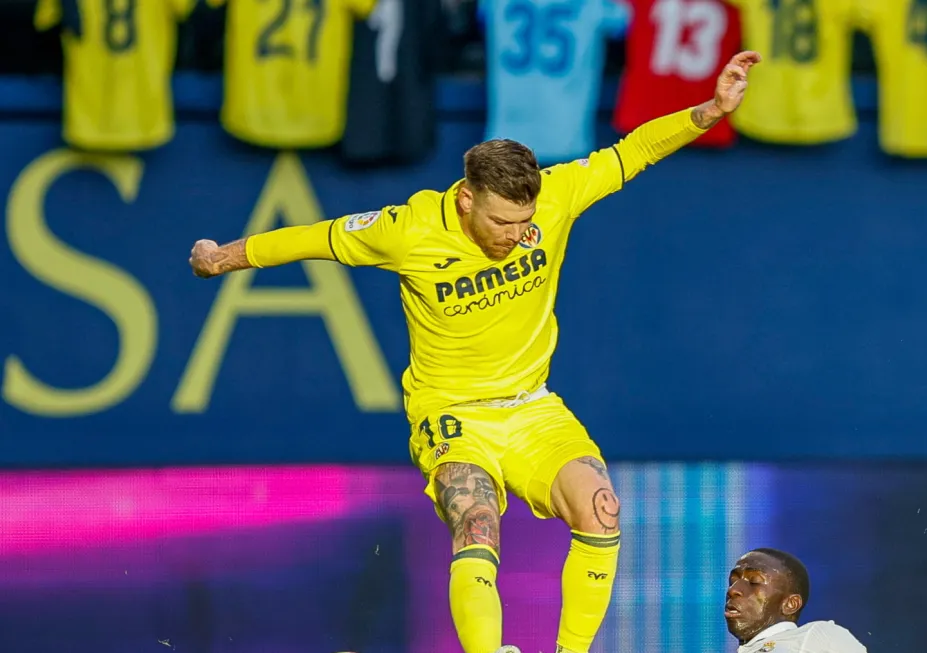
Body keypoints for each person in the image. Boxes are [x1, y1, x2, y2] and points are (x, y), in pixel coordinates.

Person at [188, 51, 764, 653]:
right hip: (453, 413)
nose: (516, 235)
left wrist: (711, 110)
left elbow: (632, 153)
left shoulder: (556, 198)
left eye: (525, 220)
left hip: (533, 408)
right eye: (502, 221)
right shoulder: (408, 228)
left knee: (602, 510)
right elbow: (316, 237)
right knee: (478, 523)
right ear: (466, 198)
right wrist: (223, 256)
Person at [725, 548, 867, 653]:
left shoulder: (817, 636)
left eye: (755, 581)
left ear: (790, 604)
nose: (732, 590)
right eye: (732, 581)